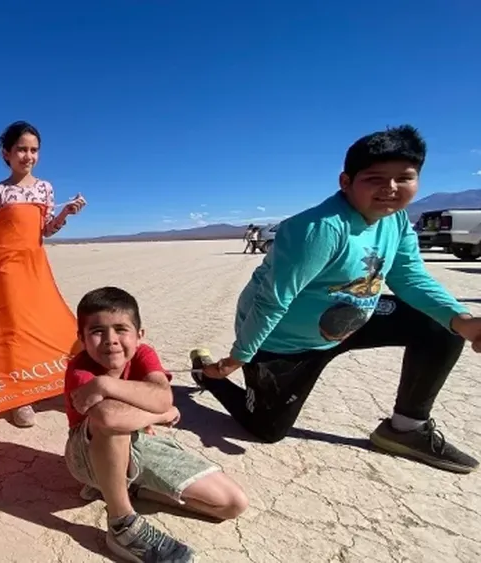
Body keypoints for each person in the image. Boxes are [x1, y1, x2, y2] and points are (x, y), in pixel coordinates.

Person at [196, 125, 481, 474]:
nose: (390, 189)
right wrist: (237, 357)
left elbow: (409, 277)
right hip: (287, 341)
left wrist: (461, 319)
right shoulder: (317, 230)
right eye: (375, 178)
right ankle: (208, 378)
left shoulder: (396, 221)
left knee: (442, 326)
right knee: (267, 431)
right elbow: (273, 300)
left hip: (351, 321)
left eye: (403, 178)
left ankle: (406, 429)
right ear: (346, 182)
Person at [65, 286, 247, 563]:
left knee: (231, 504)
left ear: (139, 335)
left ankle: (122, 486)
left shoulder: (143, 355)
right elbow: (110, 418)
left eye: (120, 329)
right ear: (82, 339)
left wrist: (106, 386)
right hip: (85, 455)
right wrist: (160, 416)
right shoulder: (81, 370)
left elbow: (163, 397)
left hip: (140, 441)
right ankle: (122, 525)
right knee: (115, 423)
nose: (110, 340)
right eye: (97, 331)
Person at [0, 120, 86, 428]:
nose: (28, 156)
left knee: (41, 323)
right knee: (13, 331)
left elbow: (46, 230)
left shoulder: (45, 188)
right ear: (7, 153)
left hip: (35, 265)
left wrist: (66, 213)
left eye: (34, 150)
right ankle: (20, 397)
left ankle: (55, 380)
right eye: (21, 149)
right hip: (6, 268)